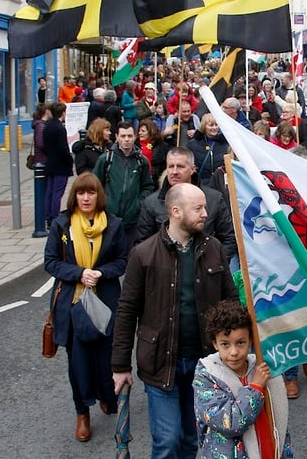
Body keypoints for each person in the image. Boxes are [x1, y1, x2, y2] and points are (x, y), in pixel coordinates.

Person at [112, 183, 239, 459]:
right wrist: (120, 366)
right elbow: (126, 311)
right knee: (168, 441)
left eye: (205, 207)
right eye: (199, 208)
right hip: (160, 363)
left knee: (192, 439)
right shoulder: (143, 254)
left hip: (204, 364)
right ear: (176, 211)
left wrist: (244, 347)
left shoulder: (214, 248)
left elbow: (231, 303)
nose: (206, 213)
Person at [44, 173, 128, 442]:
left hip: (105, 300)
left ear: (98, 195)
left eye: (91, 193)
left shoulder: (113, 225)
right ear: (75, 196)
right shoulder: (62, 224)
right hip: (73, 304)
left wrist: (100, 273)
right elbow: (51, 261)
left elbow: (123, 261)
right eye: (81, 193)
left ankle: (106, 395)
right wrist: (79, 273)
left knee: (106, 358)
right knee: (78, 363)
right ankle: (82, 413)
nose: (86, 198)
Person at [193, 300, 294, 459]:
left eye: (240, 343)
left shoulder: (262, 368)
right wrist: (255, 388)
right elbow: (231, 422)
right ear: (215, 343)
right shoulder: (206, 376)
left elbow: (278, 417)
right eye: (225, 344)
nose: (234, 352)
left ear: (251, 341)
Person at [135, 147, 237, 265]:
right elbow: (143, 243)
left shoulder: (214, 199)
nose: (174, 172)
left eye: (180, 166)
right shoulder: (151, 203)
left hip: (205, 273)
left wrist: (213, 263)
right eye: (170, 166)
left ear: (192, 169)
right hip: (165, 275)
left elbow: (229, 238)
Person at [92, 122, 154, 248]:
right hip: (107, 218)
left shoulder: (141, 162)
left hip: (132, 221)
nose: (126, 140)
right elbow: (94, 185)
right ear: (117, 137)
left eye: (130, 136)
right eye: (123, 136)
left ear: (135, 137)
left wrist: (139, 203)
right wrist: (104, 203)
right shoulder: (106, 160)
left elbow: (147, 186)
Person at [42, 102, 74, 228]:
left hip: (50, 162)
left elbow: (44, 146)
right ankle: (54, 217)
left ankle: (48, 217)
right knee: (57, 193)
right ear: (62, 113)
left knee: (49, 191)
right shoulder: (60, 128)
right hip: (60, 164)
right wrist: (70, 160)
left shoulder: (47, 127)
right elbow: (63, 148)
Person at [188, 114, 228, 186]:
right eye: (211, 125)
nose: (214, 128)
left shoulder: (225, 144)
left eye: (216, 125)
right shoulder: (193, 144)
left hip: (220, 184)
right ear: (204, 126)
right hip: (200, 183)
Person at [138, 117, 170, 187]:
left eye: (143, 131)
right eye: (139, 131)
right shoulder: (136, 145)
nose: (140, 133)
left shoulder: (161, 145)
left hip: (155, 181)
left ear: (150, 132)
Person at [32, 103, 49, 167]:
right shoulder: (40, 126)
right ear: (47, 111)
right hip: (42, 160)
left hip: (43, 159)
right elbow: (41, 144)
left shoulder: (43, 124)